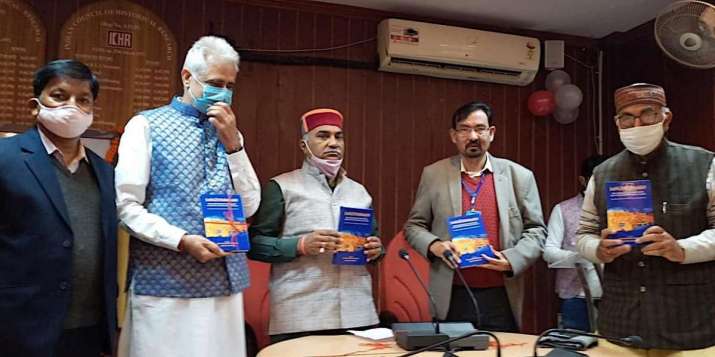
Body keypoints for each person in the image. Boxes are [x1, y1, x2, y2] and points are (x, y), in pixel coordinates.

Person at [115, 36, 260, 357]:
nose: (222, 93)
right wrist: (182, 240)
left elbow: (250, 205)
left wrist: (234, 143)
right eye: (214, 83)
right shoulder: (145, 126)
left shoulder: (230, 133)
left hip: (224, 285)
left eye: (229, 85)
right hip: (166, 285)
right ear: (186, 77)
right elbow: (126, 207)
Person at [577, 83, 715, 351]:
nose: (637, 123)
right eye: (627, 117)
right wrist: (598, 250)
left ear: (666, 118)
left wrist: (681, 249)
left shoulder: (705, 164)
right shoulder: (603, 172)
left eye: (648, 113)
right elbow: (584, 233)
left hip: (689, 324)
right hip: (620, 324)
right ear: (617, 123)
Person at [0, 59, 117, 356]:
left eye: (83, 100)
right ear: (35, 105)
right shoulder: (6, 158)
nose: (72, 107)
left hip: (88, 331)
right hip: (19, 327)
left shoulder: (104, 172)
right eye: (60, 96)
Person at [404, 101, 546, 332]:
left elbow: (537, 231)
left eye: (480, 129)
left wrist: (513, 259)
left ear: (491, 133)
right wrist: (436, 246)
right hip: (452, 294)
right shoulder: (434, 174)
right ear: (453, 135)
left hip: (502, 294)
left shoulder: (520, 176)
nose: (472, 136)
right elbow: (414, 226)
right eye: (464, 129)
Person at [248, 108, 383, 343]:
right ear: (304, 145)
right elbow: (254, 244)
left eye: (338, 136)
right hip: (301, 314)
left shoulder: (359, 192)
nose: (333, 143)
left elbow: (375, 244)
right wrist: (300, 245)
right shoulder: (281, 187)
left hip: (358, 312)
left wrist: (375, 249)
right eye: (323, 136)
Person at [543, 155, 606, 332]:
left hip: (616, 295)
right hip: (575, 295)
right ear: (583, 180)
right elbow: (549, 252)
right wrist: (582, 257)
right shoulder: (563, 209)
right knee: (574, 345)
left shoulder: (622, 210)